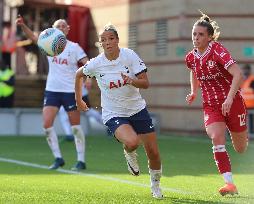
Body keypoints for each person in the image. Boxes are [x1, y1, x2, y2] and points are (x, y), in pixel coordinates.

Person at [75, 23, 163, 199]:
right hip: (113, 113)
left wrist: (131, 81)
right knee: (132, 142)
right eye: (103, 40)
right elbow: (78, 74)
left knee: (153, 152)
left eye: (111, 38)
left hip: (137, 109)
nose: (107, 42)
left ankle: (155, 186)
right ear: (101, 44)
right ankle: (129, 153)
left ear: (117, 40)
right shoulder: (96, 63)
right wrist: (78, 99)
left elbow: (145, 83)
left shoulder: (129, 55)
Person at [185, 12, 249, 196]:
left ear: (210, 37)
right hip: (211, 105)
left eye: (201, 34)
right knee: (216, 136)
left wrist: (229, 98)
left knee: (241, 148)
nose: (196, 38)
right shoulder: (191, 57)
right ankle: (229, 183)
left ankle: (241, 136)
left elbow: (238, 74)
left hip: (233, 102)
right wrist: (194, 91)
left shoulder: (218, 51)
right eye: (194, 34)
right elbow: (194, 71)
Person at [16, 16, 89, 171]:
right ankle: (58, 158)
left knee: (75, 126)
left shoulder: (74, 47)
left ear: (68, 29)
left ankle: (81, 160)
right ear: (53, 30)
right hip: (52, 90)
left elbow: (86, 63)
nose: (61, 28)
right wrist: (23, 25)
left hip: (70, 90)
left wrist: (88, 76)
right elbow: (34, 38)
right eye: (58, 26)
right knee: (47, 125)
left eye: (64, 26)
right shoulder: (48, 44)